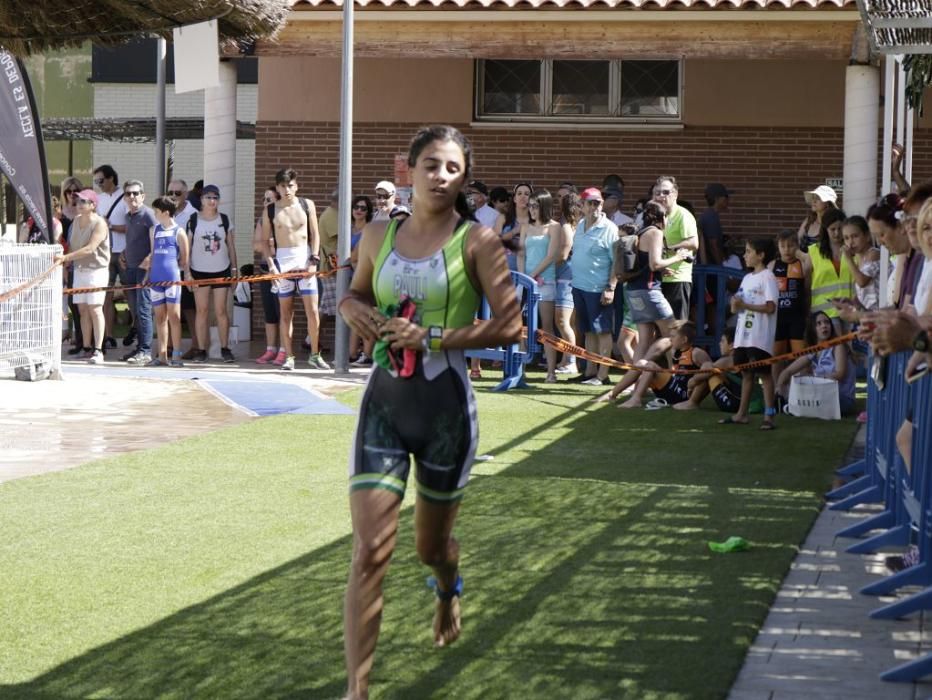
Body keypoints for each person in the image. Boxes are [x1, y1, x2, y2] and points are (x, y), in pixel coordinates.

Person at [338, 125, 521, 700]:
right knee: (370, 550)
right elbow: (357, 292)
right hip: (383, 408)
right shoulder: (375, 234)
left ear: (463, 177)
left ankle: (448, 586)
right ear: (407, 169)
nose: (440, 177)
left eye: (452, 169)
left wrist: (434, 336)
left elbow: (511, 324)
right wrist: (350, 309)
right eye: (431, 166)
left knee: (430, 549)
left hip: (446, 414)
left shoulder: (477, 241)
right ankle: (357, 690)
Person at [260, 168, 329, 371]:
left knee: (313, 312)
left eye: (290, 185)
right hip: (283, 262)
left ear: (296, 186)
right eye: (282, 185)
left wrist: (314, 259)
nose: (287, 189)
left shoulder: (307, 205)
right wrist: (271, 265)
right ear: (278, 187)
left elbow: (315, 234)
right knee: (285, 313)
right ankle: (288, 355)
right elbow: (264, 241)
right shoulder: (271, 210)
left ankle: (315, 354)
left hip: (305, 260)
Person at [720, 237, 779, 430]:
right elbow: (737, 308)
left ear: (760, 255)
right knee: (746, 374)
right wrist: (735, 304)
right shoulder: (747, 278)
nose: (745, 255)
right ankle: (741, 414)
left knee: (765, 375)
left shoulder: (768, 277)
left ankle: (769, 416)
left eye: (748, 252)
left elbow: (770, 307)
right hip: (742, 336)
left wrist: (744, 304)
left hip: (759, 336)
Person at [623, 201, 687, 365]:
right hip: (649, 292)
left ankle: (637, 380)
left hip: (634, 291)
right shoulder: (655, 233)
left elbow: (645, 264)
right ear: (662, 217)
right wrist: (677, 257)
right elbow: (655, 264)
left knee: (644, 340)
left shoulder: (641, 232)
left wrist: (661, 271)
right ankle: (674, 376)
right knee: (673, 334)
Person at [569, 187, 619, 386]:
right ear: (581, 206)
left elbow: (616, 261)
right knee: (588, 330)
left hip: (599, 288)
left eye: (597, 202)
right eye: (589, 203)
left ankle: (602, 374)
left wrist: (611, 287)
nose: (594, 207)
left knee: (603, 331)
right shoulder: (580, 224)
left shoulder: (609, 228)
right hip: (579, 286)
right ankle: (590, 372)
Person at [55, 189, 110, 364]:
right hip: (79, 270)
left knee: (95, 309)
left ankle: (99, 350)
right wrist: (66, 264)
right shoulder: (76, 221)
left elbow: (90, 248)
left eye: (83, 201)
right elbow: (72, 246)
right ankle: (86, 348)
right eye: (78, 201)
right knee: (82, 310)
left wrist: (66, 258)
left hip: (97, 270)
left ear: (93, 205)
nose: (79, 204)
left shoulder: (100, 223)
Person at [187, 185, 237, 363]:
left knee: (221, 310)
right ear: (201, 199)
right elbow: (188, 248)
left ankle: (225, 348)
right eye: (208, 197)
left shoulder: (224, 219)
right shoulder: (193, 220)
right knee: (202, 311)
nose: (212, 201)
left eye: (215, 197)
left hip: (222, 269)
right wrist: (187, 273)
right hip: (199, 270)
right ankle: (201, 350)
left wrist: (234, 271)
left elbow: (231, 246)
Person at [518, 189, 562, 382]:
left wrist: (533, 275)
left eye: (535, 206)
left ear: (544, 206)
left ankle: (551, 372)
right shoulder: (526, 226)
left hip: (545, 281)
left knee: (546, 327)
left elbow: (552, 255)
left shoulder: (554, 227)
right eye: (530, 206)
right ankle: (520, 369)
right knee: (519, 326)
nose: (532, 210)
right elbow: (521, 253)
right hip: (525, 281)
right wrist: (523, 276)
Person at [776, 310, 856, 415]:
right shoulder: (813, 350)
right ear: (813, 329)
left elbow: (840, 374)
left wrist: (813, 379)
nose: (824, 326)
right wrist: (778, 388)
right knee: (797, 377)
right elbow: (789, 370)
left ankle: (791, 406)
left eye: (827, 322)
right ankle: (787, 404)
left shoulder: (838, 345)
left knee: (804, 385)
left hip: (841, 398)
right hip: (822, 394)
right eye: (819, 324)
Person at [615, 321, 709, 409]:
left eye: (673, 336)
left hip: (682, 395)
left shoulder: (696, 353)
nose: (670, 339)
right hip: (672, 389)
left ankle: (636, 399)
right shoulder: (676, 350)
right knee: (641, 363)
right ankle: (613, 394)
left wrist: (695, 380)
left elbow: (710, 369)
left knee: (650, 366)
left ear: (684, 339)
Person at [141, 197, 189, 367]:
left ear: (166, 213)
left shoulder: (179, 231)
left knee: (174, 317)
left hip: (172, 279)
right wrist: (147, 276)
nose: (154, 214)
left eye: (156, 211)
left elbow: (184, 260)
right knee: (160, 317)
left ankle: (177, 354)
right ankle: (162, 355)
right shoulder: (154, 230)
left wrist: (185, 276)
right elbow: (153, 254)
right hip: (155, 279)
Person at [673, 327, 764, 414]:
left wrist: (691, 382)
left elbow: (702, 374)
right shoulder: (746, 357)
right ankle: (692, 401)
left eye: (722, 341)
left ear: (732, 345)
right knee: (712, 369)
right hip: (747, 403)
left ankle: (692, 402)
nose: (719, 343)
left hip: (733, 404)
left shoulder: (728, 360)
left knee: (708, 368)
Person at [120, 179, 157, 365]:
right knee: (135, 310)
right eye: (128, 193)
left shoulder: (149, 215)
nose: (132, 197)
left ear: (143, 195)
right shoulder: (128, 216)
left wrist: (149, 261)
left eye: (135, 193)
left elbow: (155, 242)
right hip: (131, 268)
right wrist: (124, 253)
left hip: (145, 270)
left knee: (144, 310)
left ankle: (146, 351)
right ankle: (140, 346)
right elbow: (132, 239)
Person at [652, 176, 698, 321]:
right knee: (658, 329)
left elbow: (693, 243)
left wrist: (669, 247)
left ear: (675, 194)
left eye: (666, 192)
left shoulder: (683, 215)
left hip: (677, 278)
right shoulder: (654, 216)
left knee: (677, 326)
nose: (661, 196)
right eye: (657, 193)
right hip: (657, 279)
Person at [769, 229, 811, 386]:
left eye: (791, 245)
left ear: (797, 246)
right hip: (778, 318)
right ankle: (776, 390)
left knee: (801, 357)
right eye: (783, 246)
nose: (787, 249)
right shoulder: (772, 265)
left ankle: (801, 390)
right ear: (778, 247)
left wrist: (807, 314)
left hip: (797, 317)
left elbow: (807, 292)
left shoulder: (802, 265)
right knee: (776, 357)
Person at [93, 164, 128, 350]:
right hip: (105, 254)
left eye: (100, 180)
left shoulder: (126, 196)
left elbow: (132, 226)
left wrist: (111, 227)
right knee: (106, 295)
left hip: (124, 253)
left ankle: (136, 330)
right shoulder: (97, 199)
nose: (98, 184)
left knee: (131, 293)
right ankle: (108, 335)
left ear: (111, 178)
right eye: (96, 181)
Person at [807, 207, 854, 333]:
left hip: (850, 309)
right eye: (832, 229)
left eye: (840, 229)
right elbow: (806, 283)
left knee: (854, 349)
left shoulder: (853, 250)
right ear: (825, 230)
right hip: (825, 313)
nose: (837, 233)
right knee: (837, 350)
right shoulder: (813, 251)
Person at [553, 192, 581, 374]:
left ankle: (571, 361)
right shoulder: (581, 224)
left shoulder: (565, 224)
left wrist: (550, 265)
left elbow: (564, 251)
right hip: (576, 275)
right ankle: (566, 359)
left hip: (566, 276)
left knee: (562, 321)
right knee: (571, 323)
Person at [254, 188, 282, 364]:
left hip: (282, 269)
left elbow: (287, 245)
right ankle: (270, 349)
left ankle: (285, 350)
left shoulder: (283, 220)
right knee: (270, 313)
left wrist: (269, 244)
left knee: (284, 312)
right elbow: (257, 246)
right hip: (265, 270)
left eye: (270, 199)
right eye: (264, 199)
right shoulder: (261, 221)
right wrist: (270, 244)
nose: (266, 202)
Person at [60, 177, 86, 355]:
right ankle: (69, 333)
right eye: (68, 192)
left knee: (81, 303)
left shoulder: (83, 213)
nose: (72, 195)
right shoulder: (59, 213)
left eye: (75, 191)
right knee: (68, 302)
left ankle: (82, 338)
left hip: (81, 262)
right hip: (64, 261)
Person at [349, 195, 374, 367]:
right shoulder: (347, 228)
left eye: (363, 208)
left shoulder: (369, 230)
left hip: (364, 278)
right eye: (356, 207)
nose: (359, 210)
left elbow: (360, 257)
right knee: (352, 317)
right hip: (348, 276)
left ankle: (367, 354)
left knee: (365, 316)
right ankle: (351, 354)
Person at [841, 215, 880, 312]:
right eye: (846, 238)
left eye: (855, 236)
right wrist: (852, 301)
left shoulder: (874, 254)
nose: (850, 242)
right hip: (868, 312)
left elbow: (862, 281)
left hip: (881, 311)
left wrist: (849, 259)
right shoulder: (858, 259)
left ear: (867, 236)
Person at [698, 183, 731, 266]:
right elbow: (713, 245)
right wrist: (721, 267)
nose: (728, 200)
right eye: (726, 197)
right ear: (717, 199)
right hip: (710, 268)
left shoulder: (710, 214)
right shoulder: (711, 217)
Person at [798, 185, 838, 251]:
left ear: (827, 203)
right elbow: (798, 240)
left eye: (818, 198)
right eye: (813, 198)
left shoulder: (832, 223)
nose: (814, 201)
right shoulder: (808, 220)